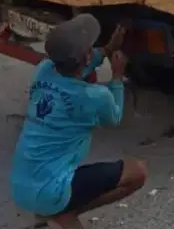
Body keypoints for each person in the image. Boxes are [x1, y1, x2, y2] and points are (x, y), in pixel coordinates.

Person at [10, 15, 148, 229]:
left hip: (21, 184)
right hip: (51, 191)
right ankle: (64, 212)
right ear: (85, 57)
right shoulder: (93, 96)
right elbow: (115, 118)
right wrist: (117, 76)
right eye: (90, 49)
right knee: (137, 172)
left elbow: (78, 66)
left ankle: (53, 210)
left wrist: (108, 48)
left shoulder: (43, 70)